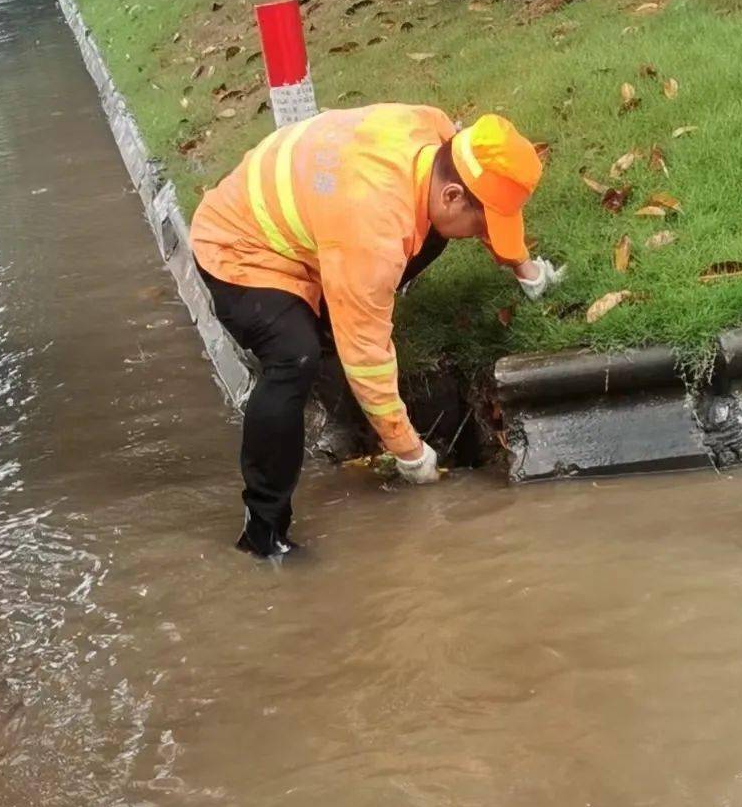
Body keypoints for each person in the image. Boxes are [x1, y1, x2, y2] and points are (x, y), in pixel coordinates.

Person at [190, 105, 565, 558]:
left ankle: (335, 311)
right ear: (451, 196)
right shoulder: (372, 230)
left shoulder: (436, 134)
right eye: (484, 225)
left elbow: (478, 197)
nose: (481, 234)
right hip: (241, 249)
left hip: (319, 226)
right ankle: (262, 532)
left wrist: (524, 267)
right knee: (295, 358)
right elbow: (366, 355)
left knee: (424, 239)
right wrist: (411, 455)